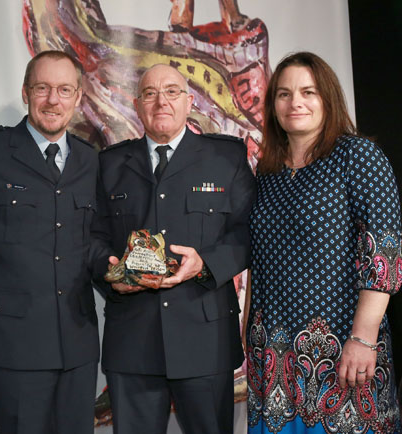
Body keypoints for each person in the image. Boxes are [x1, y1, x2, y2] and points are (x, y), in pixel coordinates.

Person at [91, 63, 256, 434]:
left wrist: (205, 264)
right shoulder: (110, 164)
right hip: (133, 340)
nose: (160, 101)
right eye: (149, 93)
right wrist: (112, 273)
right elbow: (91, 238)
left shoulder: (225, 158)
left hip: (204, 340)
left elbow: (247, 232)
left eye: (171, 91)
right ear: (137, 105)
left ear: (189, 101)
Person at [246, 51, 401, 433]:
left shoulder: (358, 156)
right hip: (273, 357)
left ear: (327, 99)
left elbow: (384, 255)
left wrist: (363, 340)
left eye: (308, 92)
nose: (295, 102)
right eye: (283, 94)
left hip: (344, 353)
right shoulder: (266, 173)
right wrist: (248, 331)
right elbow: (258, 260)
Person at [0, 50, 103, 434]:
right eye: (43, 88)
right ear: (26, 91)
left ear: (79, 97)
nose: (53, 100)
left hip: (77, 346)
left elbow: (92, 239)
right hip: (13, 344)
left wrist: (114, 268)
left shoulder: (90, 160)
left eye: (64, 89)